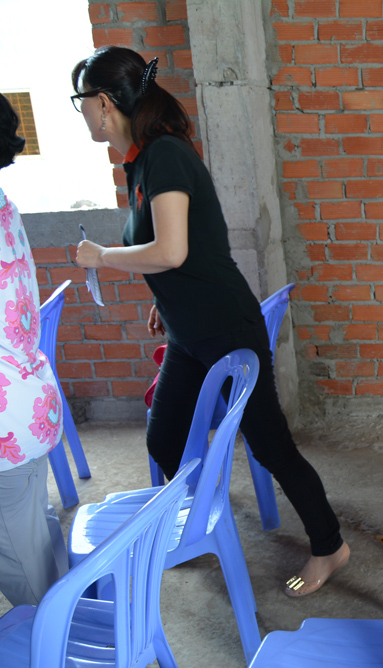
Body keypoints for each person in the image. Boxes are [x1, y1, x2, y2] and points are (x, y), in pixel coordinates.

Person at [70, 46, 348, 597]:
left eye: (80, 101)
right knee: (164, 436)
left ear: (103, 103)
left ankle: (330, 546)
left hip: (226, 328)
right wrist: (165, 297)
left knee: (271, 447)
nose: (80, 112)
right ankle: (199, 519)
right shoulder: (142, 161)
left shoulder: (165, 155)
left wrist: (101, 257)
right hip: (189, 330)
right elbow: (184, 250)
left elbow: (172, 250)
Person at [0, 94, 69, 606]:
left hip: (8, 422)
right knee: (34, 535)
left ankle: (57, 637)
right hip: (28, 402)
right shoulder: (3, 202)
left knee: (23, 568)